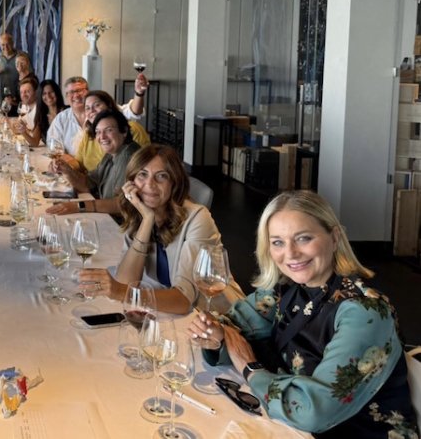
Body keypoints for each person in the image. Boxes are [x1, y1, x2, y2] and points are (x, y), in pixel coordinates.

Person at [189, 191, 419, 438]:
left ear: (334, 238)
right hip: (290, 429)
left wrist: (250, 368)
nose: (290, 253)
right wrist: (216, 337)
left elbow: (313, 411)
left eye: (303, 238)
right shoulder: (286, 287)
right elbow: (234, 327)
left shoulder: (365, 313)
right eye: (278, 242)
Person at [81, 144, 244, 314]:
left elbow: (183, 300)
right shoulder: (139, 213)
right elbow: (125, 282)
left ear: (174, 183)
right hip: (175, 315)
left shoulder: (197, 218)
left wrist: (122, 292)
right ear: (131, 182)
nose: (149, 184)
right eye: (142, 174)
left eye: (161, 176)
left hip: (219, 316)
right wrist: (147, 220)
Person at [47, 109, 140, 217]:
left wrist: (79, 206)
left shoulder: (127, 156)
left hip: (120, 224)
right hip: (107, 218)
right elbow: (88, 184)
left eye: (108, 130)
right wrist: (67, 171)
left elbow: (122, 204)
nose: (102, 137)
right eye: (98, 132)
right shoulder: (112, 154)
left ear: (124, 131)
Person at [75, 90, 150, 172]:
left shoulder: (133, 129)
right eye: (87, 108)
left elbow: (144, 164)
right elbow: (78, 163)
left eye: (97, 105)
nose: (91, 111)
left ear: (109, 106)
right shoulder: (88, 133)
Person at [45, 76, 88, 155]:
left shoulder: (98, 115)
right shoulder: (61, 119)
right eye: (71, 92)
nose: (76, 95)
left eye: (79, 90)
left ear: (88, 92)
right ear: (67, 97)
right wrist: (70, 160)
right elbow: (53, 145)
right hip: (69, 162)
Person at [12, 76, 42, 146]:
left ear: (36, 92)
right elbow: (16, 128)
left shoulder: (39, 110)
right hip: (30, 145)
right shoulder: (24, 106)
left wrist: (24, 131)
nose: (23, 95)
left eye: (27, 91)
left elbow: (35, 143)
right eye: (21, 92)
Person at [0, 32, 19, 105]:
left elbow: (28, 77)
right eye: (3, 45)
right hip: (1, 100)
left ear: (12, 43)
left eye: (8, 44)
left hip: (17, 99)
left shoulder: (20, 57)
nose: (5, 47)